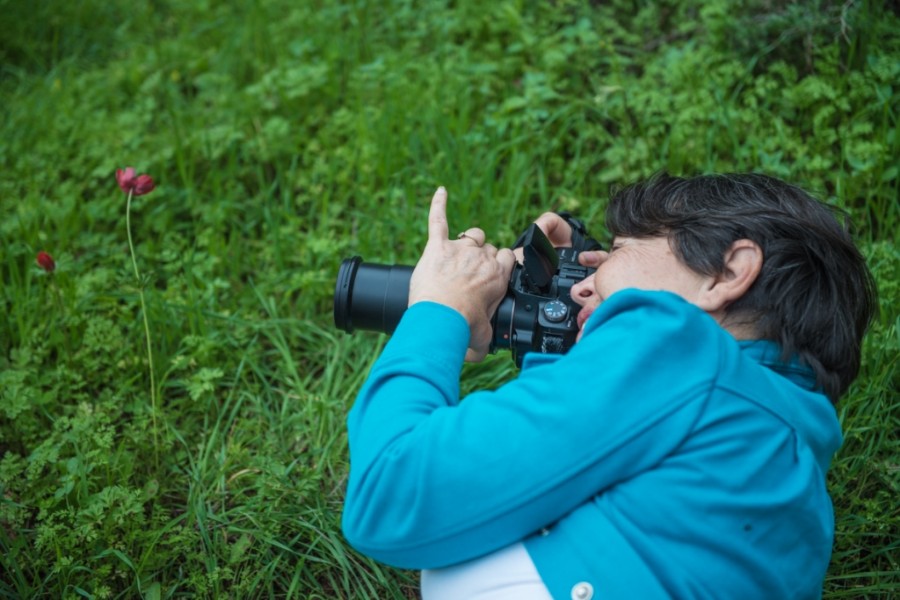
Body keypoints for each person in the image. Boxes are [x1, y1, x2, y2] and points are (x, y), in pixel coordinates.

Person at [341, 173, 877, 599]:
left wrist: (438, 307)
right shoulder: (776, 459)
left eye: (617, 250)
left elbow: (390, 491)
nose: (587, 281)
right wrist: (582, 303)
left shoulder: (673, 345)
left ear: (726, 273)